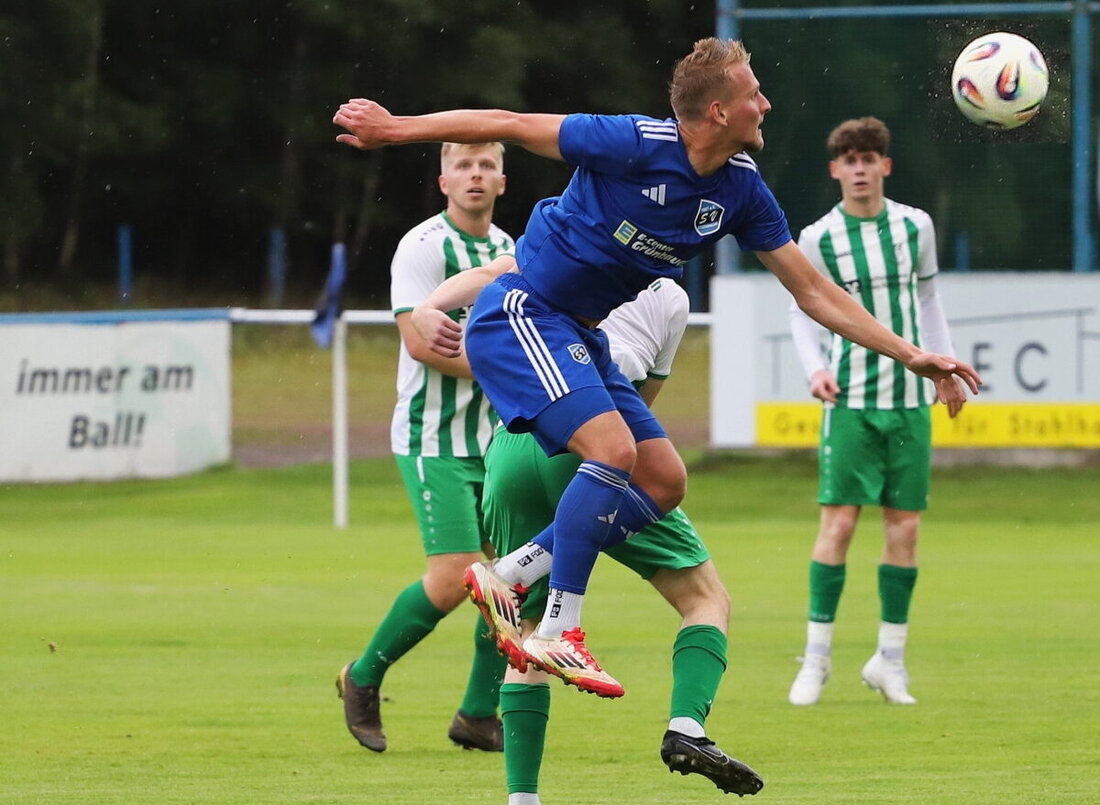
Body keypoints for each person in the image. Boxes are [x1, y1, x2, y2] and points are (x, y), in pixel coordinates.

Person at [333, 37, 980, 701]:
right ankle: (559, 626)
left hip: (578, 334)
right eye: (753, 93)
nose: (766, 102)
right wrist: (395, 129)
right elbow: (510, 124)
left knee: (665, 478)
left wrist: (912, 354)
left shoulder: (741, 192)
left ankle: (514, 570)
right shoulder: (634, 142)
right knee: (611, 450)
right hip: (523, 310)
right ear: (720, 112)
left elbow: (812, 291)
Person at [411, 256, 762, 799]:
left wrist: (429, 307)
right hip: (593, 455)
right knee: (704, 598)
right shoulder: (670, 297)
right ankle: (687, 727)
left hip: (512, 451)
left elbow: (492, 273)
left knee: (528, 636)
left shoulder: (571, 247)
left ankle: (522, 797)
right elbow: (636, 411)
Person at [335, 142, 514, 753]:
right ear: (443, 180)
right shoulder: (422, 246)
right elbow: (421, 343)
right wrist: (510, 365)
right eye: (463, 165)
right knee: (453, 578)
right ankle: (362, 677)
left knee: (512, 581)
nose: (475, 175)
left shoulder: (512, 252)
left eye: (486, 165)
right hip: (431, 437)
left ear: (502, 181)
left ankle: (478, 715)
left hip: (497, 445)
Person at [786, 117, 963, 707]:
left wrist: (946, 369)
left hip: (908, 404)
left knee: (905, 530)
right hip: (852, 404)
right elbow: (803, 311)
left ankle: (890, 660)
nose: (860, 169)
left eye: (870, 159)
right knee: (837, 526)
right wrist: (815, 366)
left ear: (885, 166)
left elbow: (930, 300)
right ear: (835, 170)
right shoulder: (819, 238)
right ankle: (815, 660)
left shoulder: (917, 227)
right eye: (849, 160)